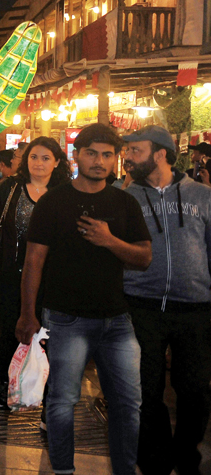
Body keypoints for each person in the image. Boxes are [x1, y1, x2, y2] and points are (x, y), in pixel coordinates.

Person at [16, 123, 151, 475]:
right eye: (92, 153)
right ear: (78, 155)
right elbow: (34, 260)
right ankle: (63, 470)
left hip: (117, 320)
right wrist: (27, 314)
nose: (99, 160)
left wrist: (109, 241)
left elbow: (143, 257)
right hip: (65, 318)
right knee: (62, 402)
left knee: (128, 404)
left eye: (108, 154)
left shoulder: (124, 202)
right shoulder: (54, 201)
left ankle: (125, 469)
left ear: (116, 159)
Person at [121, 125, 211, 475]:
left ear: (160, 153)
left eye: (135, 150)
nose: (128, 156)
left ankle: (187, 456)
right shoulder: (126, 197)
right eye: (127, 151)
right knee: (144, 390)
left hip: (195, 308)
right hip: (141, 305)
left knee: (194, 391)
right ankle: (155, 460)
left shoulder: (202, 196)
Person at [0, 136, 70, 406]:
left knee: (49, 335)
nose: (39, 163)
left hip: (52, 278)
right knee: (12, 331)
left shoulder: (65, 193)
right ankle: (7, 385)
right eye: (34, 157)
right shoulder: (10, 188)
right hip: (9, 274)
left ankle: (47, 393)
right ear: (26, 161)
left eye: (46, 158)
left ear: (57, 162)